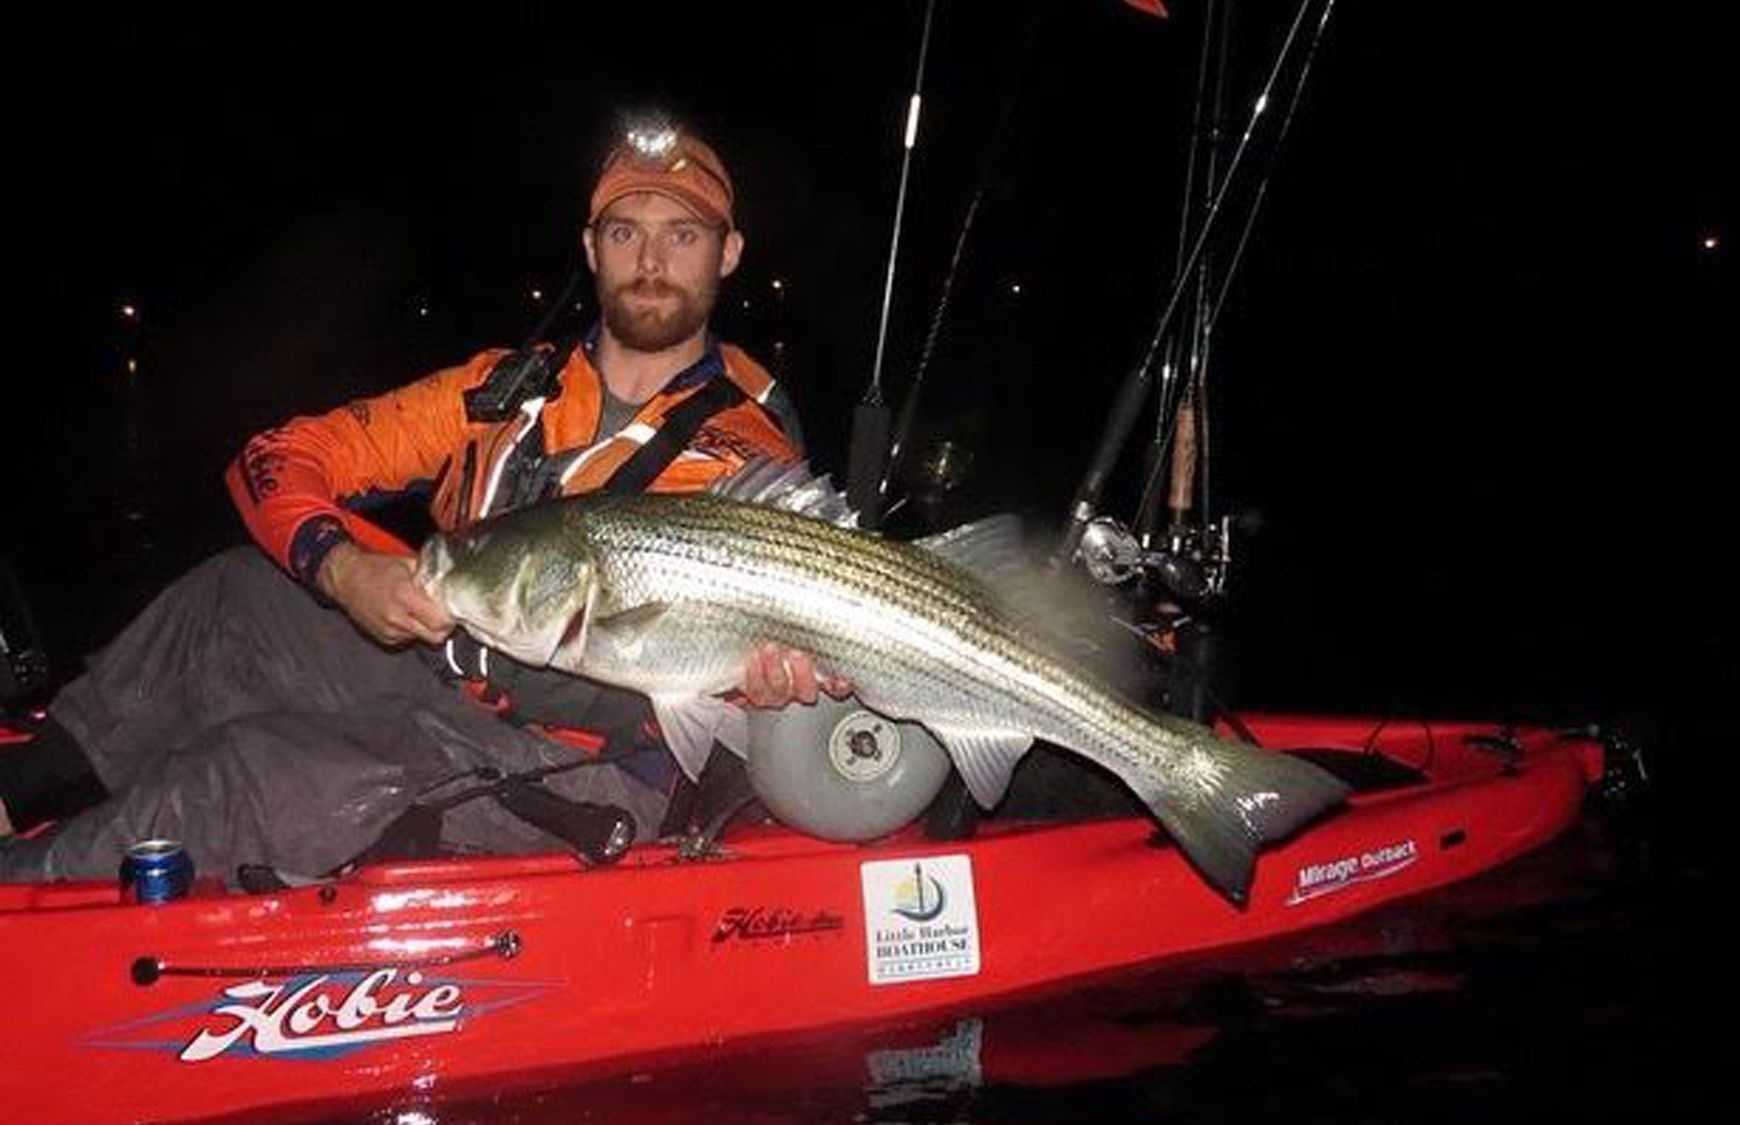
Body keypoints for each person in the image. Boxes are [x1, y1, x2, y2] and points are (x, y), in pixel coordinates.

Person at [0, 121, 842, 881]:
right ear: (591, 247)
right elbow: (276, 457)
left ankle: (24, 891)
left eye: (682, 235)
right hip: (457, 669)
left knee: (248, 773)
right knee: (231, 601)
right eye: (627, 232)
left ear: (727, 253)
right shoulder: (504, 389)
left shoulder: (743, 450)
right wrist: (344, 570)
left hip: (585, 759)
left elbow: (602, 673)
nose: (651, 262)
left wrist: (763, 675)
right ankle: (15, 792)